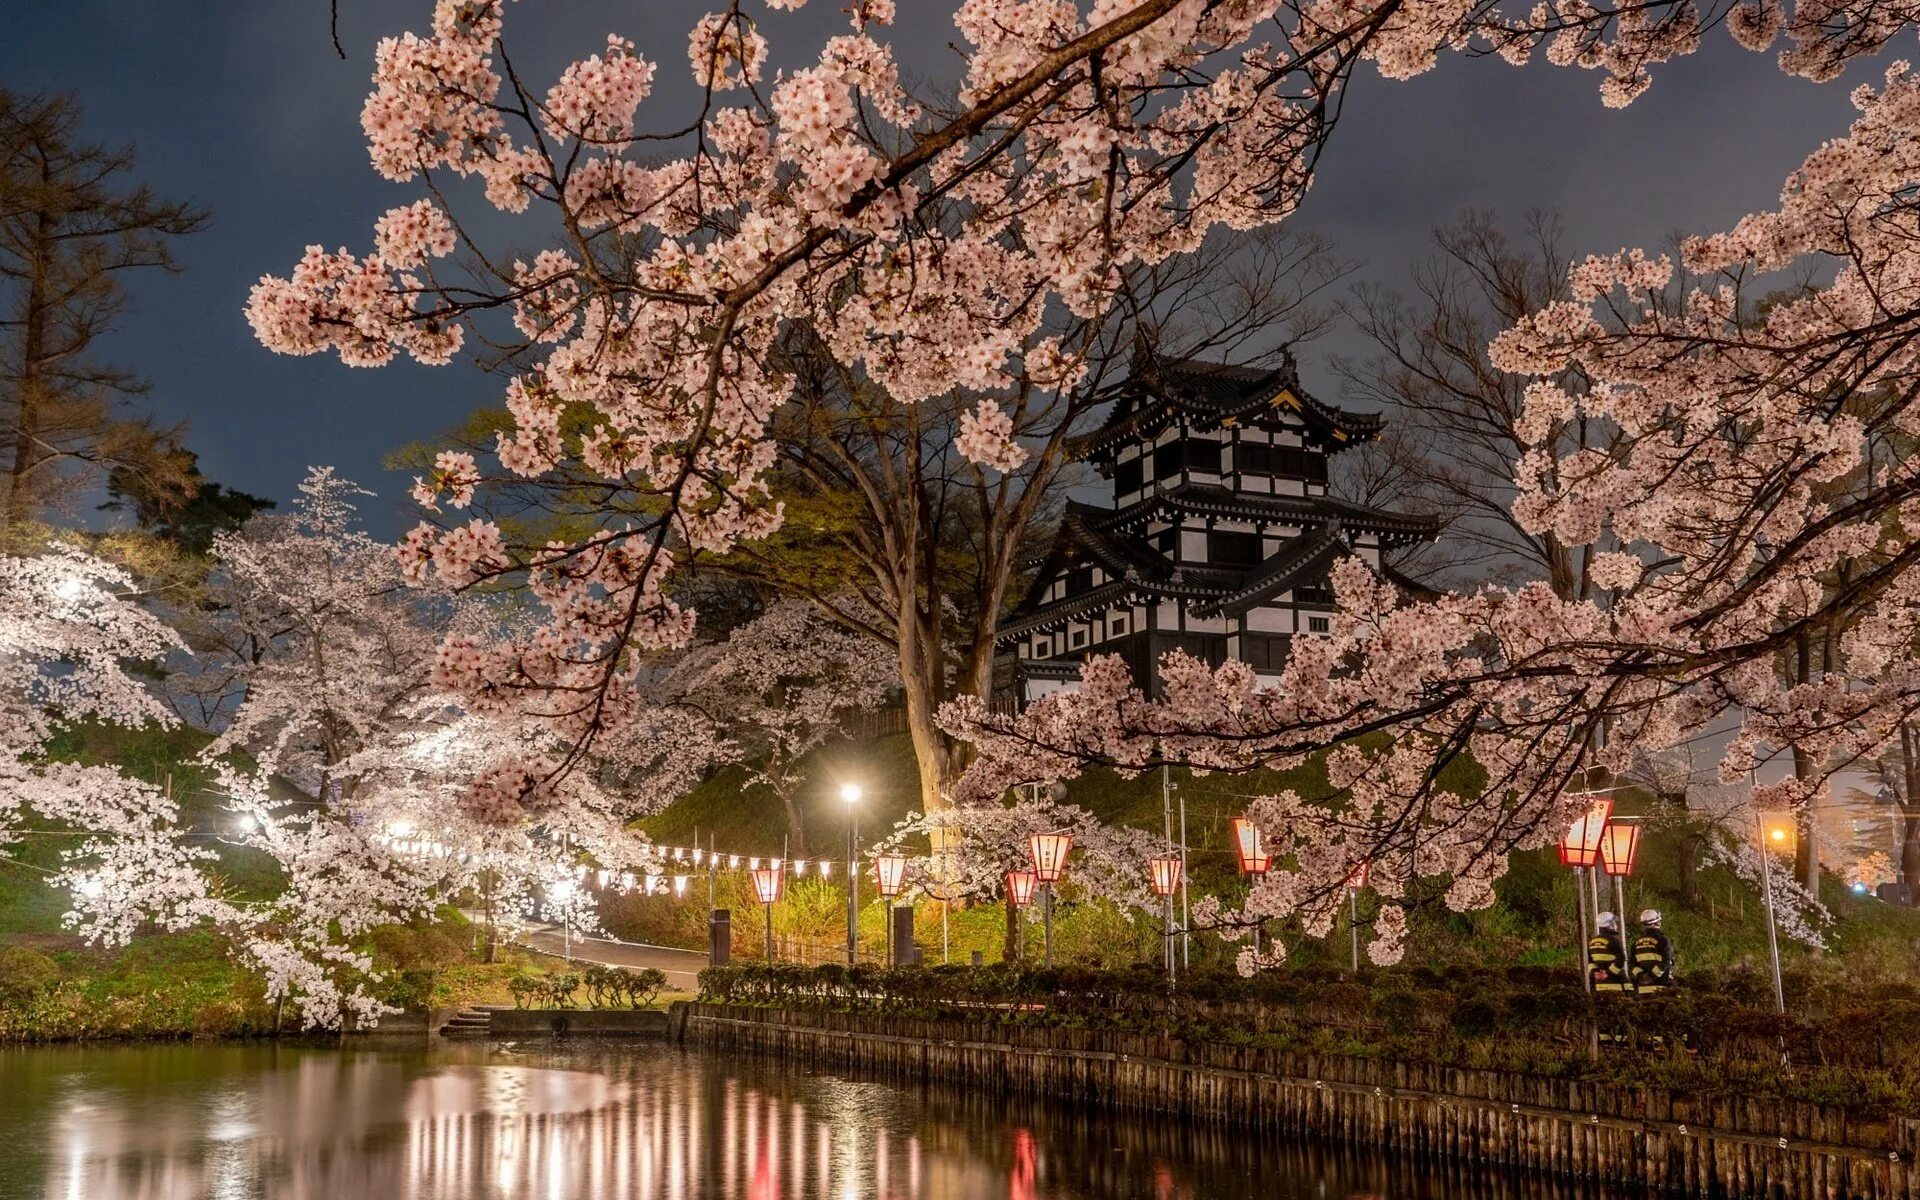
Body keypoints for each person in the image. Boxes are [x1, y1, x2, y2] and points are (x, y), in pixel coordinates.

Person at [1631, 908, 1675, 993]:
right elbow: (1666, 962)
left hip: (1643, 989)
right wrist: (1651, 976)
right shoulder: (1663, 941)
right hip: (1661, 987)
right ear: (1657, 923)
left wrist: (1641, 976)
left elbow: (1632, 963)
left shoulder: (1636, 943)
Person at [1587, 911, 1630, 993]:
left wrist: (1595, 973)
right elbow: (1621, 959)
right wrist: (1607, 973)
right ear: (1610, 925)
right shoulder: (1614, 940)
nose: (1616, 926)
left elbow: (1590, 962)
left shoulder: (1591, 942)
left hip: (1599, 985)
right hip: (1617, 985)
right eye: (1614, 923)